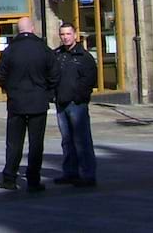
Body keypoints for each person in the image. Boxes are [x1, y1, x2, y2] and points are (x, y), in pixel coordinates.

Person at [0, 16, 59, 192]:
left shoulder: (10, 50)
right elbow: (55, 74)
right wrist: (47, 92)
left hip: (16, 102)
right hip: (38, 102)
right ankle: (33, 179)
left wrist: (10, 89)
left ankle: (9, 178)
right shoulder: (43, 49)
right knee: (36, 143)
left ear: (18, 30)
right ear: (33, 28)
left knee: (14, 142)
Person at [53, 22, 98, 187]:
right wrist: (53, 95)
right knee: (67, 140)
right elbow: (51, 76)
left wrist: (78, 97)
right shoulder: (57, 55)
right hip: (61, 103)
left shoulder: (84, 57)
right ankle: (70, 172)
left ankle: (87, 174)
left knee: (82, 140)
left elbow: (89, 80)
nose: (65, 37)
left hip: (77, 104)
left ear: (75, 35)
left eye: (68, 34)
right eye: (62, 34)